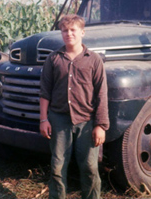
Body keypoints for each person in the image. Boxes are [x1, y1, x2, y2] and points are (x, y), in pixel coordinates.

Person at [39, 14, 109, 199]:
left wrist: (100, 125)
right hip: (59, 120)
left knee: (89, 166)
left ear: (82, 32)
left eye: (73, 30)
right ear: (61, 33)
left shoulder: (94, 60)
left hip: (87, 121)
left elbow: (101, 94)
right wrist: (44, 119)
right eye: (64, 30)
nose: (68, 34)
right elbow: (45, 91)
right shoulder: (53, 59)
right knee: (57, 166)